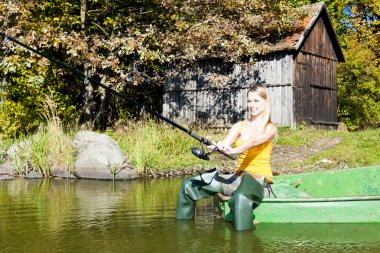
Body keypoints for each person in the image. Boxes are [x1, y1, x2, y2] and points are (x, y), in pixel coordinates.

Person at [176, 84, 277, 230]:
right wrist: (218, 147)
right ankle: (183, 235)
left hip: (260, 182)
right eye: (249, 101)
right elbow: (226, 143)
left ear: (265, 102)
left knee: (241, 198)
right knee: (188, 186)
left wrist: (235, 151)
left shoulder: (270, 128)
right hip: (237, 179)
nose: (252, 105)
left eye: (256, 101)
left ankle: (244, 243)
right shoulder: (239, 126)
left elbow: (253, 142)